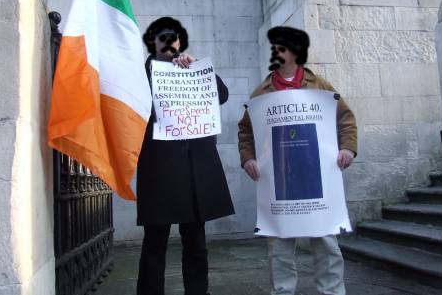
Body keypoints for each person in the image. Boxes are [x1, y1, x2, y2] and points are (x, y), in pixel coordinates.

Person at [237, 26, 357, 295]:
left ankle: (332, 291)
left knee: (326, 242)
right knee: (279, 247)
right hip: (279, 182)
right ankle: (283, 292)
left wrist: (347, 148)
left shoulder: (320, 86)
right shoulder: (261, 93)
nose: (275, 53)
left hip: (318, 179)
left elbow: (345, 119)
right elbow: (246, 129)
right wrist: (248, 159)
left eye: (280, 48)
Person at [137, 17, 234, 295]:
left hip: (193, 171)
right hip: (159, 171)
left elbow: (223, 94)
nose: (168, 42)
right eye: (162, 37)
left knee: (195, 242)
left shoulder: (192, 69)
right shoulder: (143, 73)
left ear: (180, 43)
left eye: (173, 37)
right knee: (155, 242)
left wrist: (195, 67)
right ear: (153, 42)